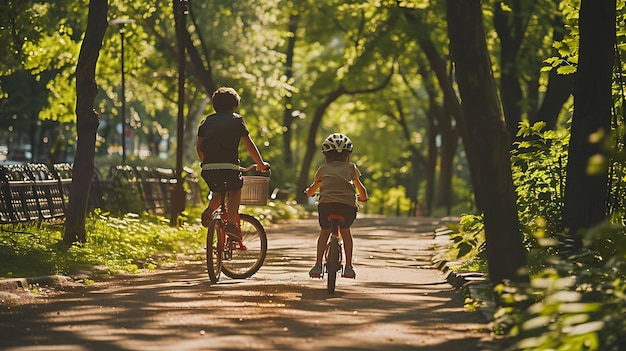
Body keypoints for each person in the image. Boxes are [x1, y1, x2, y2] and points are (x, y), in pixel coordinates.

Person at [197, 87, 270, 240]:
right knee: (235, 188)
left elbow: (199, 147)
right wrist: (260, 164)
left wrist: (206, 163)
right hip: (229, 167)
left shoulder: (206, 121)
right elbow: (249, 145)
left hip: (208, 168)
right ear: (234, 106)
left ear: (214, 105)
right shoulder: (237, 120)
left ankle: (210, 210)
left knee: (219, 188)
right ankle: (231, 224)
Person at [304, 133, 368, 279]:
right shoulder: (351, 168)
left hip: (326, 207)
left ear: (326, 155)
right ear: (348, 155)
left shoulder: (323, 169)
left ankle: (318, 264)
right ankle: (349, 267)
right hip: (347, 208)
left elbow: (313, 189)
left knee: (324, 232)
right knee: (346, 232)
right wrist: (363, 198)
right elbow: (361, 190)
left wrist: (308, 193)